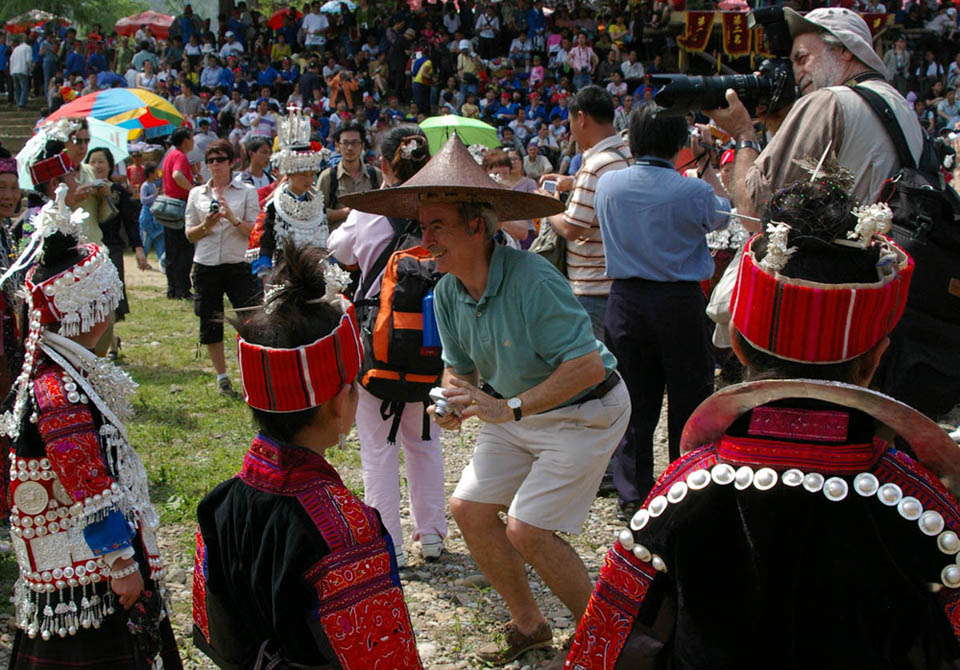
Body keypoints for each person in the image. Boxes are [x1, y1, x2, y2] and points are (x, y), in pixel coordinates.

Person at [564, 176, 960, 670]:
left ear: (742, 347)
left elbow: (604, 650)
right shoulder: (922, 508)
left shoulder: (679, 493)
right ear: (873, 361)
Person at [342, 136, 628, 668]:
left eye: (436, 226)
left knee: (528, 529)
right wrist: (450, 398)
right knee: (469, 510)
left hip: (585, 411)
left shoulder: (533, 280)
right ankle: (530, 623)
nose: (424, 240)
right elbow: (458, 368)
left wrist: (509, 408)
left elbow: (588, 366)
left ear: (478, 225)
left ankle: (611, 642)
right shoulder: (447, 290)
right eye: (421, 226)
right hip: (518, 410)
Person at [192, 244, 422, 669]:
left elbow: (217, 635)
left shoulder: (219, 506)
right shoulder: (346, 528)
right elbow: (385, 658)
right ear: (340, 402)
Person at [3, 186, 181, 669]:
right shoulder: (59, 391)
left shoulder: (60, 373)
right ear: (87, 311)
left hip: (83, 566)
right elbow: (88, 483)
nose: (110, 314)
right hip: (89, 571)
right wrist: (122, 563)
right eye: (106, 302)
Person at [594, 105, 730, 518]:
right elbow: (723, 215)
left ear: (632, 140)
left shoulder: (608, 184)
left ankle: (632, 491)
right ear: (679, 144)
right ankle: (684, 480)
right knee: (689, 395)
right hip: (678, 300)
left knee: (633, 399)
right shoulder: (692, 190)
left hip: (626, 299)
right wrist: (705, 161)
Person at [328, 126, 447, 568]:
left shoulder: (369, 213)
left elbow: (340, 252)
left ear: (383, 164)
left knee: (378, 445)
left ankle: (389, 542)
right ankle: (432, 533)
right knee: (423, 437)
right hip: (430, 342)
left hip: (376, 343)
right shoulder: (438, 212)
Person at [706, 7, 922, 223]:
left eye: (802, 58)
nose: (797, 73)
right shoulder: (898, 103)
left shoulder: (828, 100)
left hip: (842, 256)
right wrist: (776, 122)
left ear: (844, 49)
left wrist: (743, 133)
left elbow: (753, 213)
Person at [538, 86, 631, 340]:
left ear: (582, 118)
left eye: (571, 123)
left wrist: (549, 204)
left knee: (594, 369)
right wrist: (571, 181)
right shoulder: (624, 153)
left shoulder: (596, 166)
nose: (571, 131)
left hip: (592, 287)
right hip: (615, 282)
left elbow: (571, 228)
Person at [184, 139, 260, 395]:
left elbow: (254, 231)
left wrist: (232, 219)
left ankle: (252, 373)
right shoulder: (196, 194)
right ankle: (222, 377)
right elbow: (190, 235)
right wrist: (206, 224)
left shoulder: (247, 191)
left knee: (249, 320)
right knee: (210, 321)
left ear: (231, 162)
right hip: (206, 265)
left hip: (239, 264)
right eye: (211, 161)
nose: (215, 165)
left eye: (220, 160)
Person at [85, 148, 149, 360]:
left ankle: (107, 347)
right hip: (87, 251)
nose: (97, 165)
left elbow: (131, 223)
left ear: (110, 165)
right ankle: (110, 343)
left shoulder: (118, 192)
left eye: (101, 161)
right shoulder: (82, 192)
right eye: (92, 161)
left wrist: (139, 248)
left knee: (110, 300)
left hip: (111, 250)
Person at [256, 107, 329, 277]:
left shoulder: (317, 203)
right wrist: (266, 272)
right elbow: (266, 243)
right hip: (285, 273)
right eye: (303, 174)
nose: (309, 180)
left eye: (312, 174)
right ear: (289, 174)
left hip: (315, 272)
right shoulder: (275, 206)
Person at [317, 120, 382, 228]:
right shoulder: (328, 177)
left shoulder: (375, 175)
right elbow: (317, 213)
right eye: (345, 143)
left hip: (370, 242)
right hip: (336, 242)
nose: (350, 148)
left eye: (355, 143)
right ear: (337, 145)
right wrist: (346, 212)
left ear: (362, 145)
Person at [161, 127, 197, 300]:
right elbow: (177, 175)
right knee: (184, 250)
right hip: (180, 205)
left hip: (169, 205)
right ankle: (183, 289)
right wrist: (192, 189)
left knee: (172, 251)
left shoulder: (170, 155)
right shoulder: (180, 156)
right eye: (191, 138)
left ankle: (172, 288)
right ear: (185, 141)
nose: (193, 142)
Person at [138, 162, 164, 270]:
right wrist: (155, 195)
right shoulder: (145, 186)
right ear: (150, 174)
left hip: (155, 217)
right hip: (147, 217)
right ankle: (142, 262)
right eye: (155, 172)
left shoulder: (154, 185)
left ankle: (162, 262)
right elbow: (143, 200)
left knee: (160, 240)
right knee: (146, 242)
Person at [10, 35, 33, 110]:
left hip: (14, 70)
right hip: (22, 70)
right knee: (24, 87)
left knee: (17, 88)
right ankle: (22, 103)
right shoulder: (28, 48)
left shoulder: (16, 48)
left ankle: (18, 102)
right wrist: (30, 69)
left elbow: (11, 59)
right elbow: (28, 60)